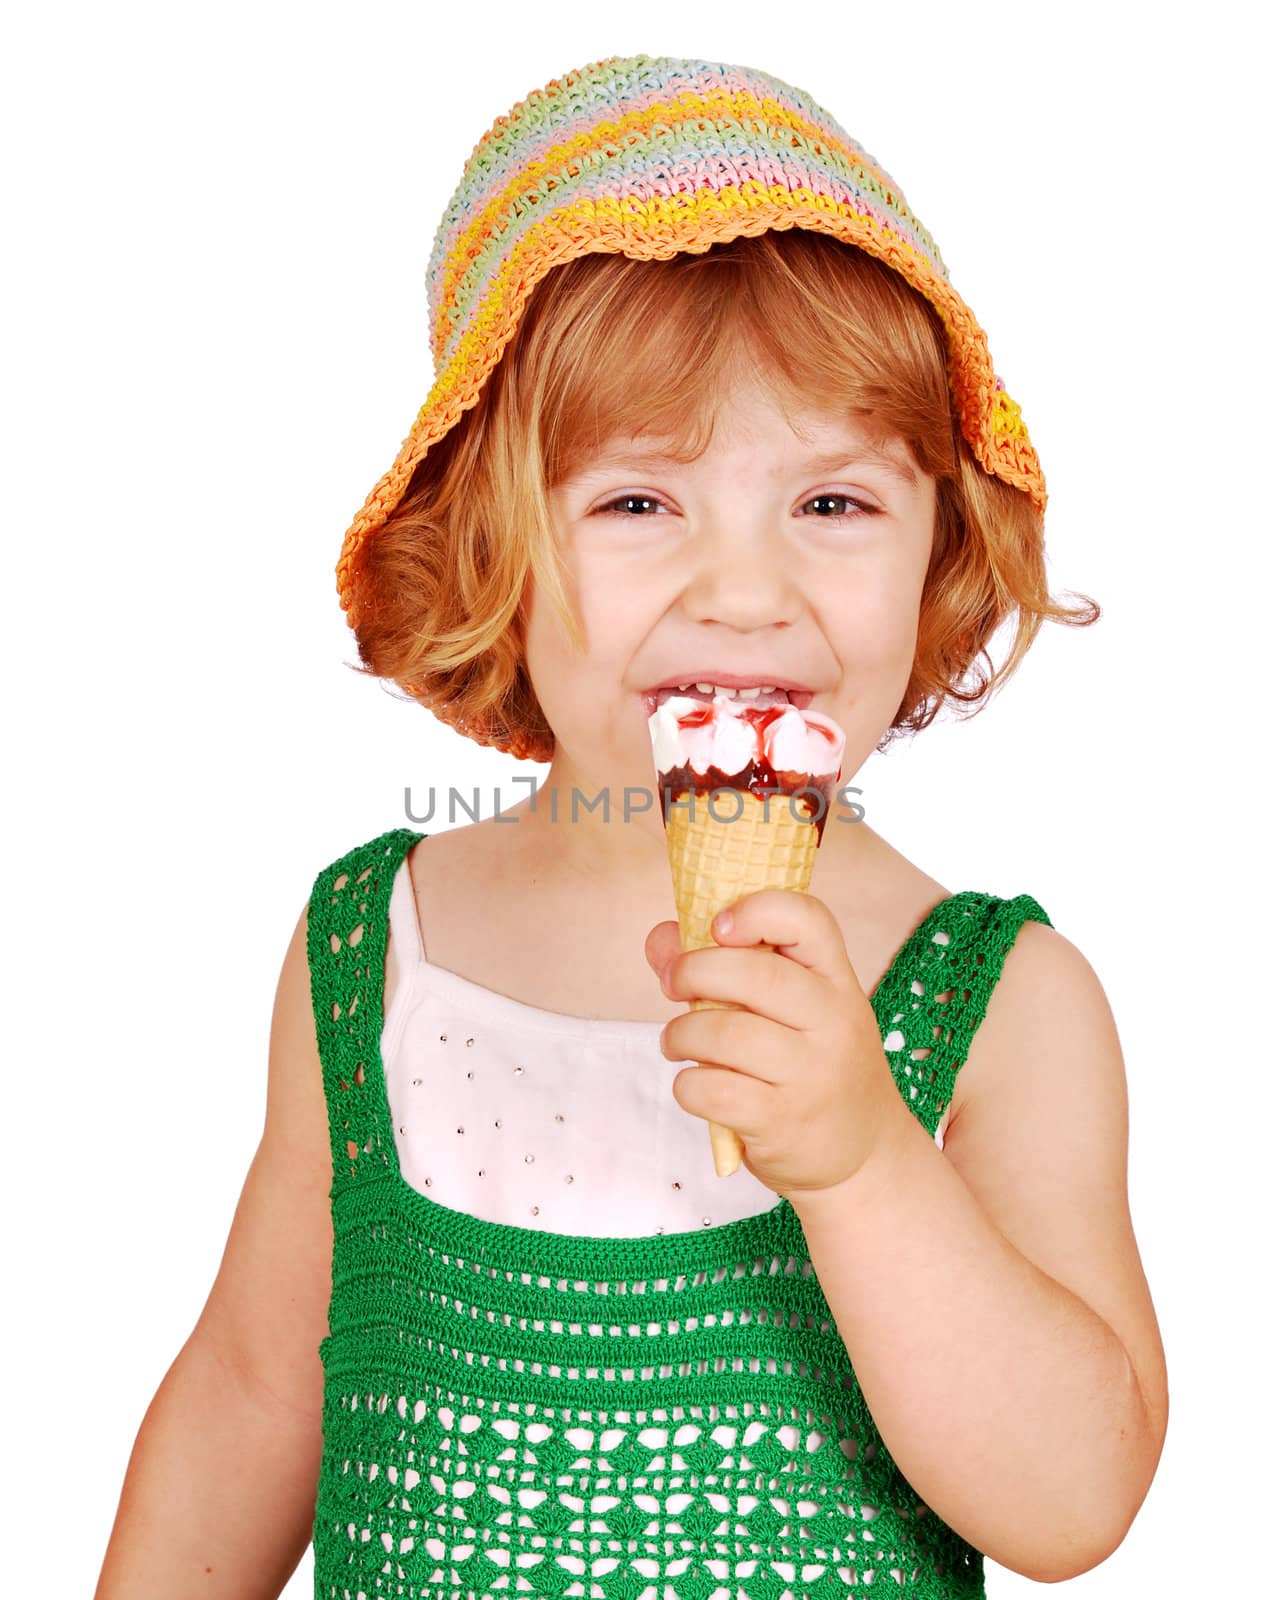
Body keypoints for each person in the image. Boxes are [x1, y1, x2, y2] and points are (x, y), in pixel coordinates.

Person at [94, 54, 1168, 1599]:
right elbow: (255, 1395)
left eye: (833, 504)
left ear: (941, 544)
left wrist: (863, 1160)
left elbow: (1070, 1506)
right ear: (491, 548)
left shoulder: (999, 1000)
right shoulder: (373, 947)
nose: (744, 590)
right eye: (637, 504)